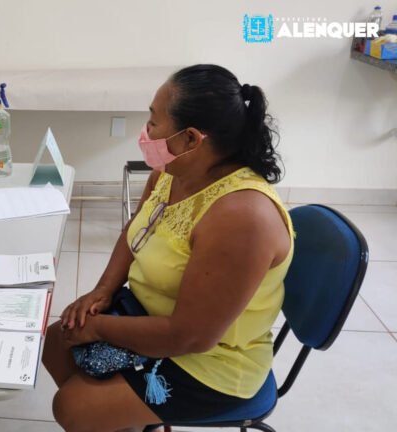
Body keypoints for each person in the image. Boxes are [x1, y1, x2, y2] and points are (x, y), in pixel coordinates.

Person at [41, 64, 294, 432]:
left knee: (74, 407)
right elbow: (136, 230)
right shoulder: (171, 173)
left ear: (191, 139)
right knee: (56, 341)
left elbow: (191, 336)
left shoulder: (242, 217)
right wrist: (103, 289)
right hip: (156, 311)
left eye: (153, 122)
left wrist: (98, 328)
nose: (145, 133)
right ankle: (120, 419)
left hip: (210, 360)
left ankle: (111, 415)